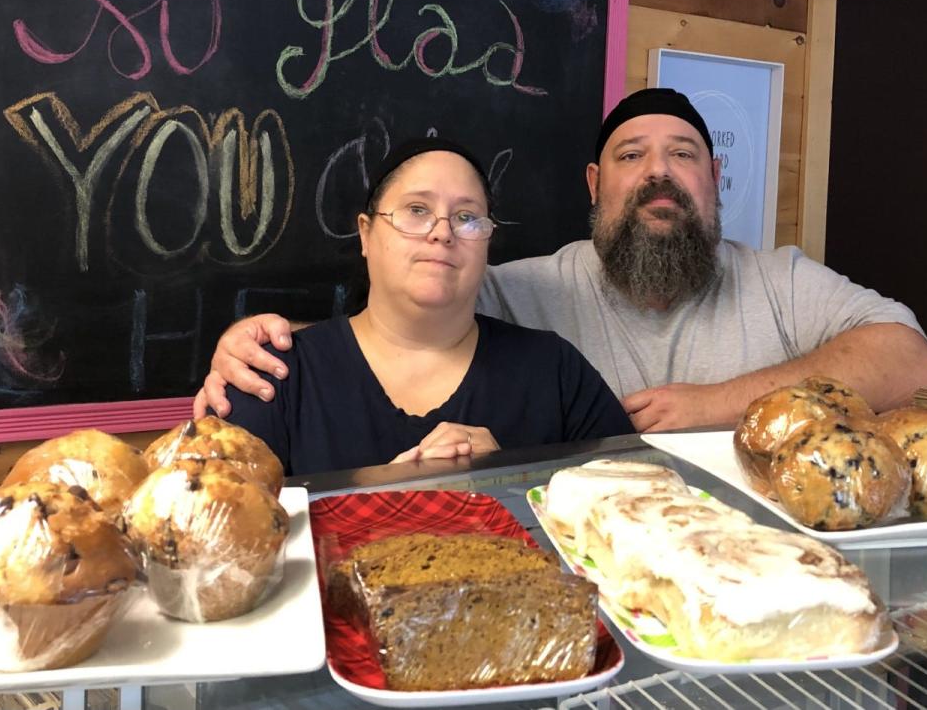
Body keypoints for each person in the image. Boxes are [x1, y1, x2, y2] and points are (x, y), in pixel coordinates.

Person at [198, 89, 927, 433]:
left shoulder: (780, 281)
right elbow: (409, 303)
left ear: (714, 179)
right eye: (632, 155)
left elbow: (914, 365)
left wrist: (714, 404)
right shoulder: (526, 290)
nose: (660, 172)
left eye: (683, 155)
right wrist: (271, 350)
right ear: (596, 185)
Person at [216, 137, 632, 474]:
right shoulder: (276, 375)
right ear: (366, 234)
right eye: (417, 210)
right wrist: (380, 504)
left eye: (467, 217)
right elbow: (225, 547)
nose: (442, 233)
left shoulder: (554, 370)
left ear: (487, 243)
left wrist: (510, 476)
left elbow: (631, 508)